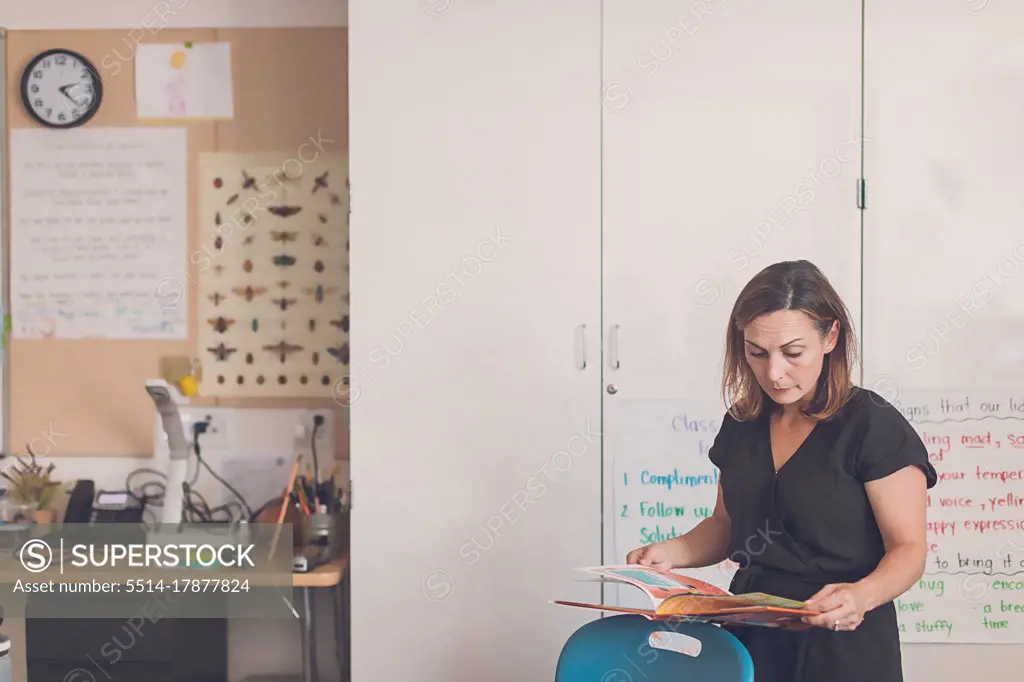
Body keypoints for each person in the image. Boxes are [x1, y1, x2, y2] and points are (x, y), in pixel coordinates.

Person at [626, 260, 937, 682]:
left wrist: (861, 595)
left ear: (830, 337)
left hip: (844, 641)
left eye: (793, 353)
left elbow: (909, 549)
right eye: (757, 352)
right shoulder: (742, 422)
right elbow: (725, 525)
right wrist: (672, 553)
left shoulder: (873, 425)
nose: (773, 372)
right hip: (750, 637)